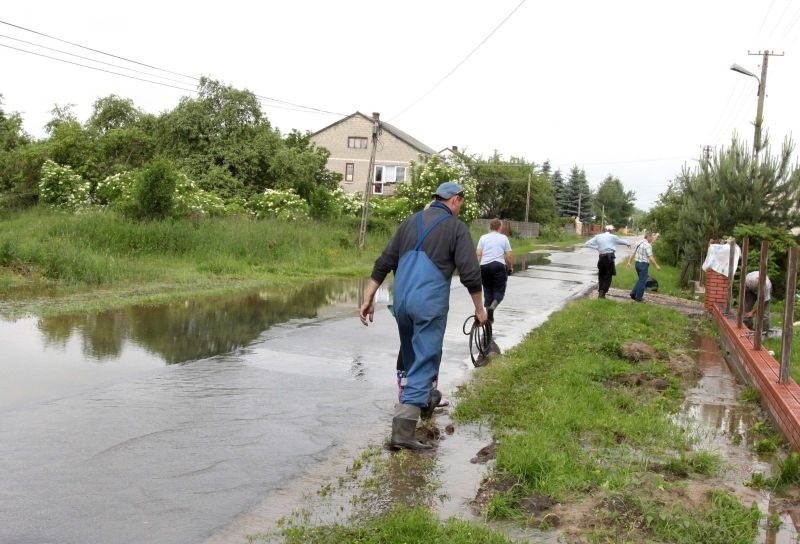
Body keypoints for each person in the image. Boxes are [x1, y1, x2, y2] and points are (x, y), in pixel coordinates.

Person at [360, 181, 487, 450]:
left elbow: (384, 261)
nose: (460, 208)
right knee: (425, 359)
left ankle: (426, 400)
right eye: (461, 203)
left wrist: (368, 296)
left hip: (402, 301)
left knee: (410, 355)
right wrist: (479, 308)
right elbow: (470, 273)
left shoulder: (410, 222)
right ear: (455, 200)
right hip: (427, 302)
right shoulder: (455, 227)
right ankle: (403, 433)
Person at [476, 218, 513, 322]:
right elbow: (509, 256)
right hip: (498, 266)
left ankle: (489, 320)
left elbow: (478, 254)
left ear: (490, 227)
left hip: (485, 266)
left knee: (487, 291)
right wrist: (510, 268)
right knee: (499, 291)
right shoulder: (504, 238)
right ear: (500, 227)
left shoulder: (483, 238)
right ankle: (492, 308)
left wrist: (476, 267)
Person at [584, 224, 630, 298]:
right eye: (613, 230)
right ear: (611, 230)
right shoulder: (613, 237)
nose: (613, 231)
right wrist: (628, 243)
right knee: (608, 276)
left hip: (601, 258)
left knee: (601, 275)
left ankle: (600, 292)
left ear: (605, 230)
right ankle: (602, 293)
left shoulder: (598, 236)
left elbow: (587, 244)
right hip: (609, 258)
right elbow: (621, 241)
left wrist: (597, 248)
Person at [626, 231, 660, 302]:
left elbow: (632, 253)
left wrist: (629, 262)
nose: (653, 239)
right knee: (643, 281)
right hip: (643, 265)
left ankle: (633, 293)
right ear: (648, 237)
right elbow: (650, 257)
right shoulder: (647, 245)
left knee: (641, 279)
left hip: (637, 264)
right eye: (652, 237)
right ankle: (639, 298)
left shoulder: (639, 242)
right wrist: (656, 265)